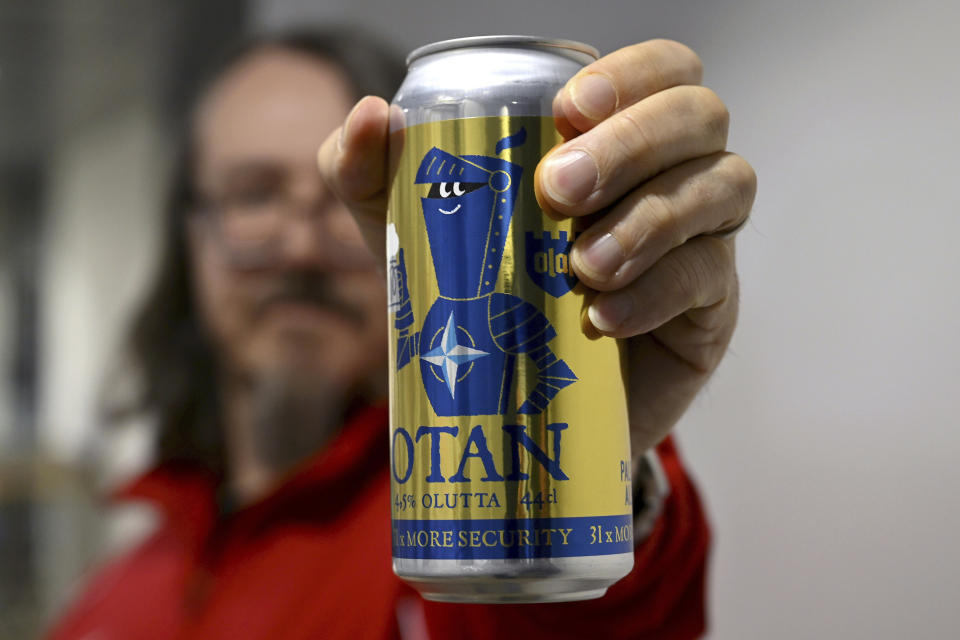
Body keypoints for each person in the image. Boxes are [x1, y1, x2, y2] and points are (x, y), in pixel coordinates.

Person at [48, 27, 755, 640]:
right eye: (253, 195)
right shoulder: (111, 592)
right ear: (191, 238)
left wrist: (605, 459)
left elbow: (592, 628)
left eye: (331, 200)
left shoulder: (437, 556)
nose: (299, 248)